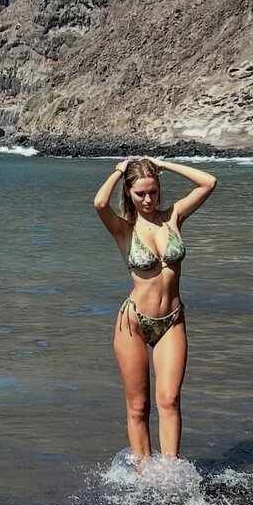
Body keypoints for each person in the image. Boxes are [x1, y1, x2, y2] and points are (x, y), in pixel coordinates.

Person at [93, 156, 217, 462]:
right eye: (140, 194)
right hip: (133, 324)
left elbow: (208, 183)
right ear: (128, 193)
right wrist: (120, 170)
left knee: (170, 399)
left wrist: (164, 164)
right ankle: (143, 473)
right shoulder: (123, 229)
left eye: (153, 191)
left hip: (172, 321)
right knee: (139, 407)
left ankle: (169, 475)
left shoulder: (173, 217)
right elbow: (99, 203)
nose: (148, 199)